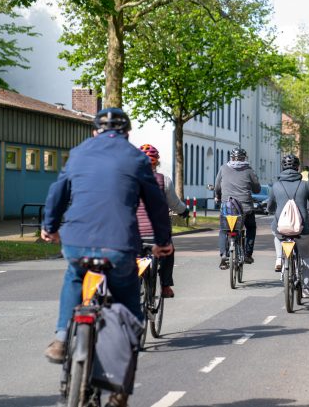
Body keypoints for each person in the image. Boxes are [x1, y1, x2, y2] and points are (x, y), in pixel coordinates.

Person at [41, 108, 174, 407]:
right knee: (130, 308)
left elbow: (57, 193)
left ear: (94, 131)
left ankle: (62, 339)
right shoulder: (137, 158)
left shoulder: (77, 153)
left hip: (76, 241)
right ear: (127, 133)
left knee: (75, 275)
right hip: (119, 246)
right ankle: (119, 389)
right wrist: (163, 242)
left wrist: (49, 227)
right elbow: (155, 205)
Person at [136, 144, 189, 298]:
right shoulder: (164, 181)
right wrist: (184, 211)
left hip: (134, 235)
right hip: (156, 236)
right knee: (168, 252)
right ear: (156, 163)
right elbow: (174, 203)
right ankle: (165, 286)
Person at [268, 154, 309, 298]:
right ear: (297, 168)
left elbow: (270, 206)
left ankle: (279, 258)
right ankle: (305, 287)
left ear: (282, 168)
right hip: (302, 229)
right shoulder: (305, 185)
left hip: (282, 228)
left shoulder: (276, 185)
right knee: (306, 255)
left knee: (275, 233)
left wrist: (272, 209)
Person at [214, 147, 261, 269]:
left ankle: (224, 254)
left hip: (228, 206)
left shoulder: (223, 168)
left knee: (224, 230)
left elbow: (217, 187)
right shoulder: (249, 170)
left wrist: (218, 197)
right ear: (244, 158)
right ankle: (247, 254)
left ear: (231, 158)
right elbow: (257, 189)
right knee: (251, 227)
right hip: (245, 207)